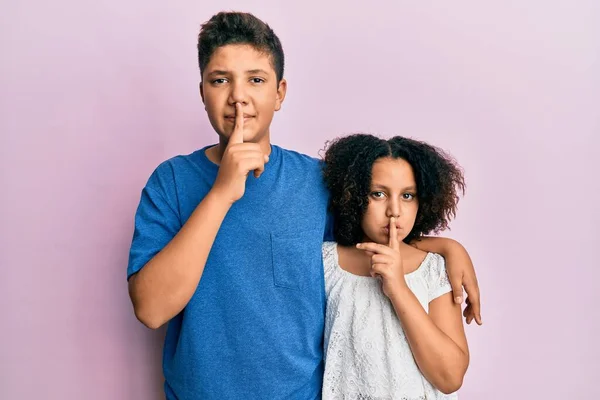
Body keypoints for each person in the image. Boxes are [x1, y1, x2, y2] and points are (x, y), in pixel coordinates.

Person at [126, 11, 482, 400]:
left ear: (279, 93)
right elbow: (151, 310)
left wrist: (447, 247)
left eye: (256, 80)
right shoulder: (172, 182)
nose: (238, 96)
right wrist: (222, 192)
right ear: (202, 92)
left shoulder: (318, 181)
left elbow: (369, 243)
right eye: (220, 80)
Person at [321, 134, 470, 399]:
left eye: (408, 196)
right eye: (378, 194)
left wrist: (399, 289)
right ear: (352, 194)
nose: (394, 210)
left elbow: (450, 378)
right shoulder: (325, 263)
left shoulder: (433, 268)